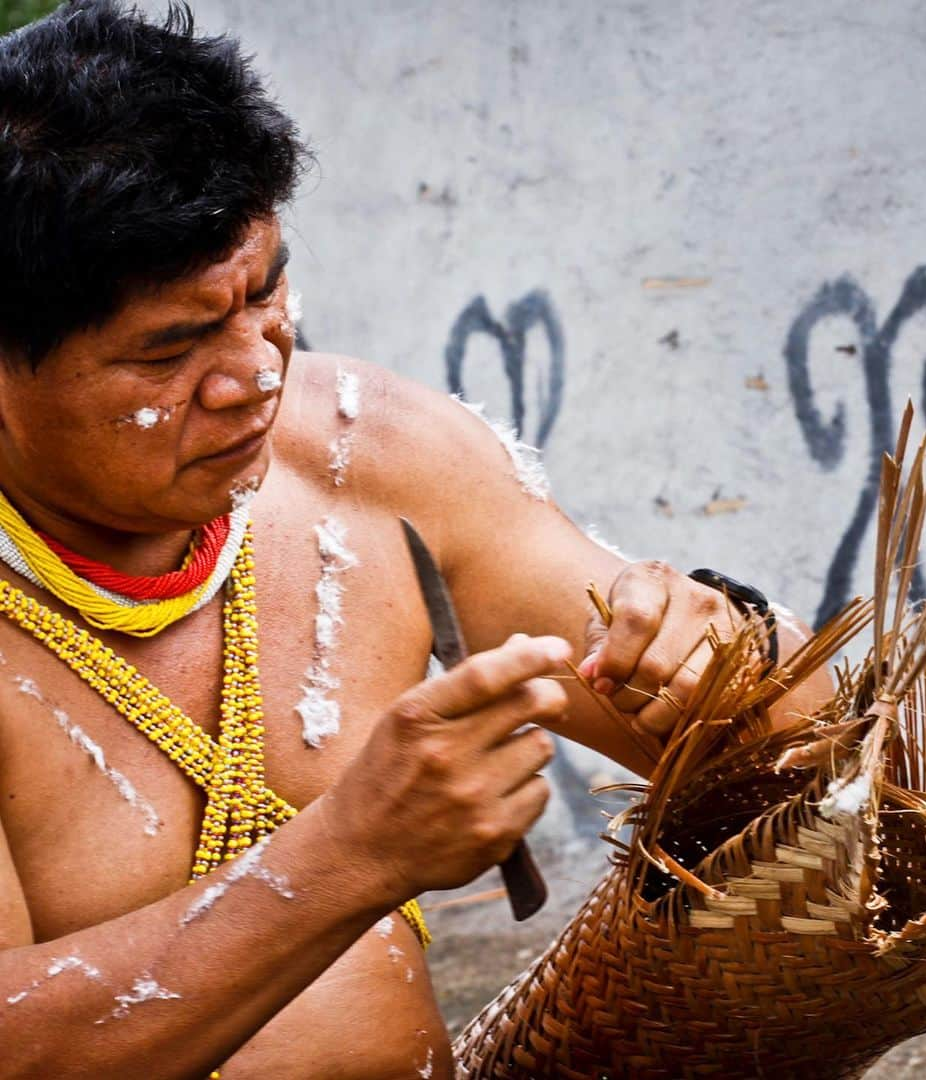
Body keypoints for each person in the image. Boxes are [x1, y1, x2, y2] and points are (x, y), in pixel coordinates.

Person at [0, 3, 830, 1076]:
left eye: (265, 291)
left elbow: (829, 768)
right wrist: (353, 853)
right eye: (170, 349)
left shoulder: (369, 459)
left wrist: (724, 654)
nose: (256, 373)